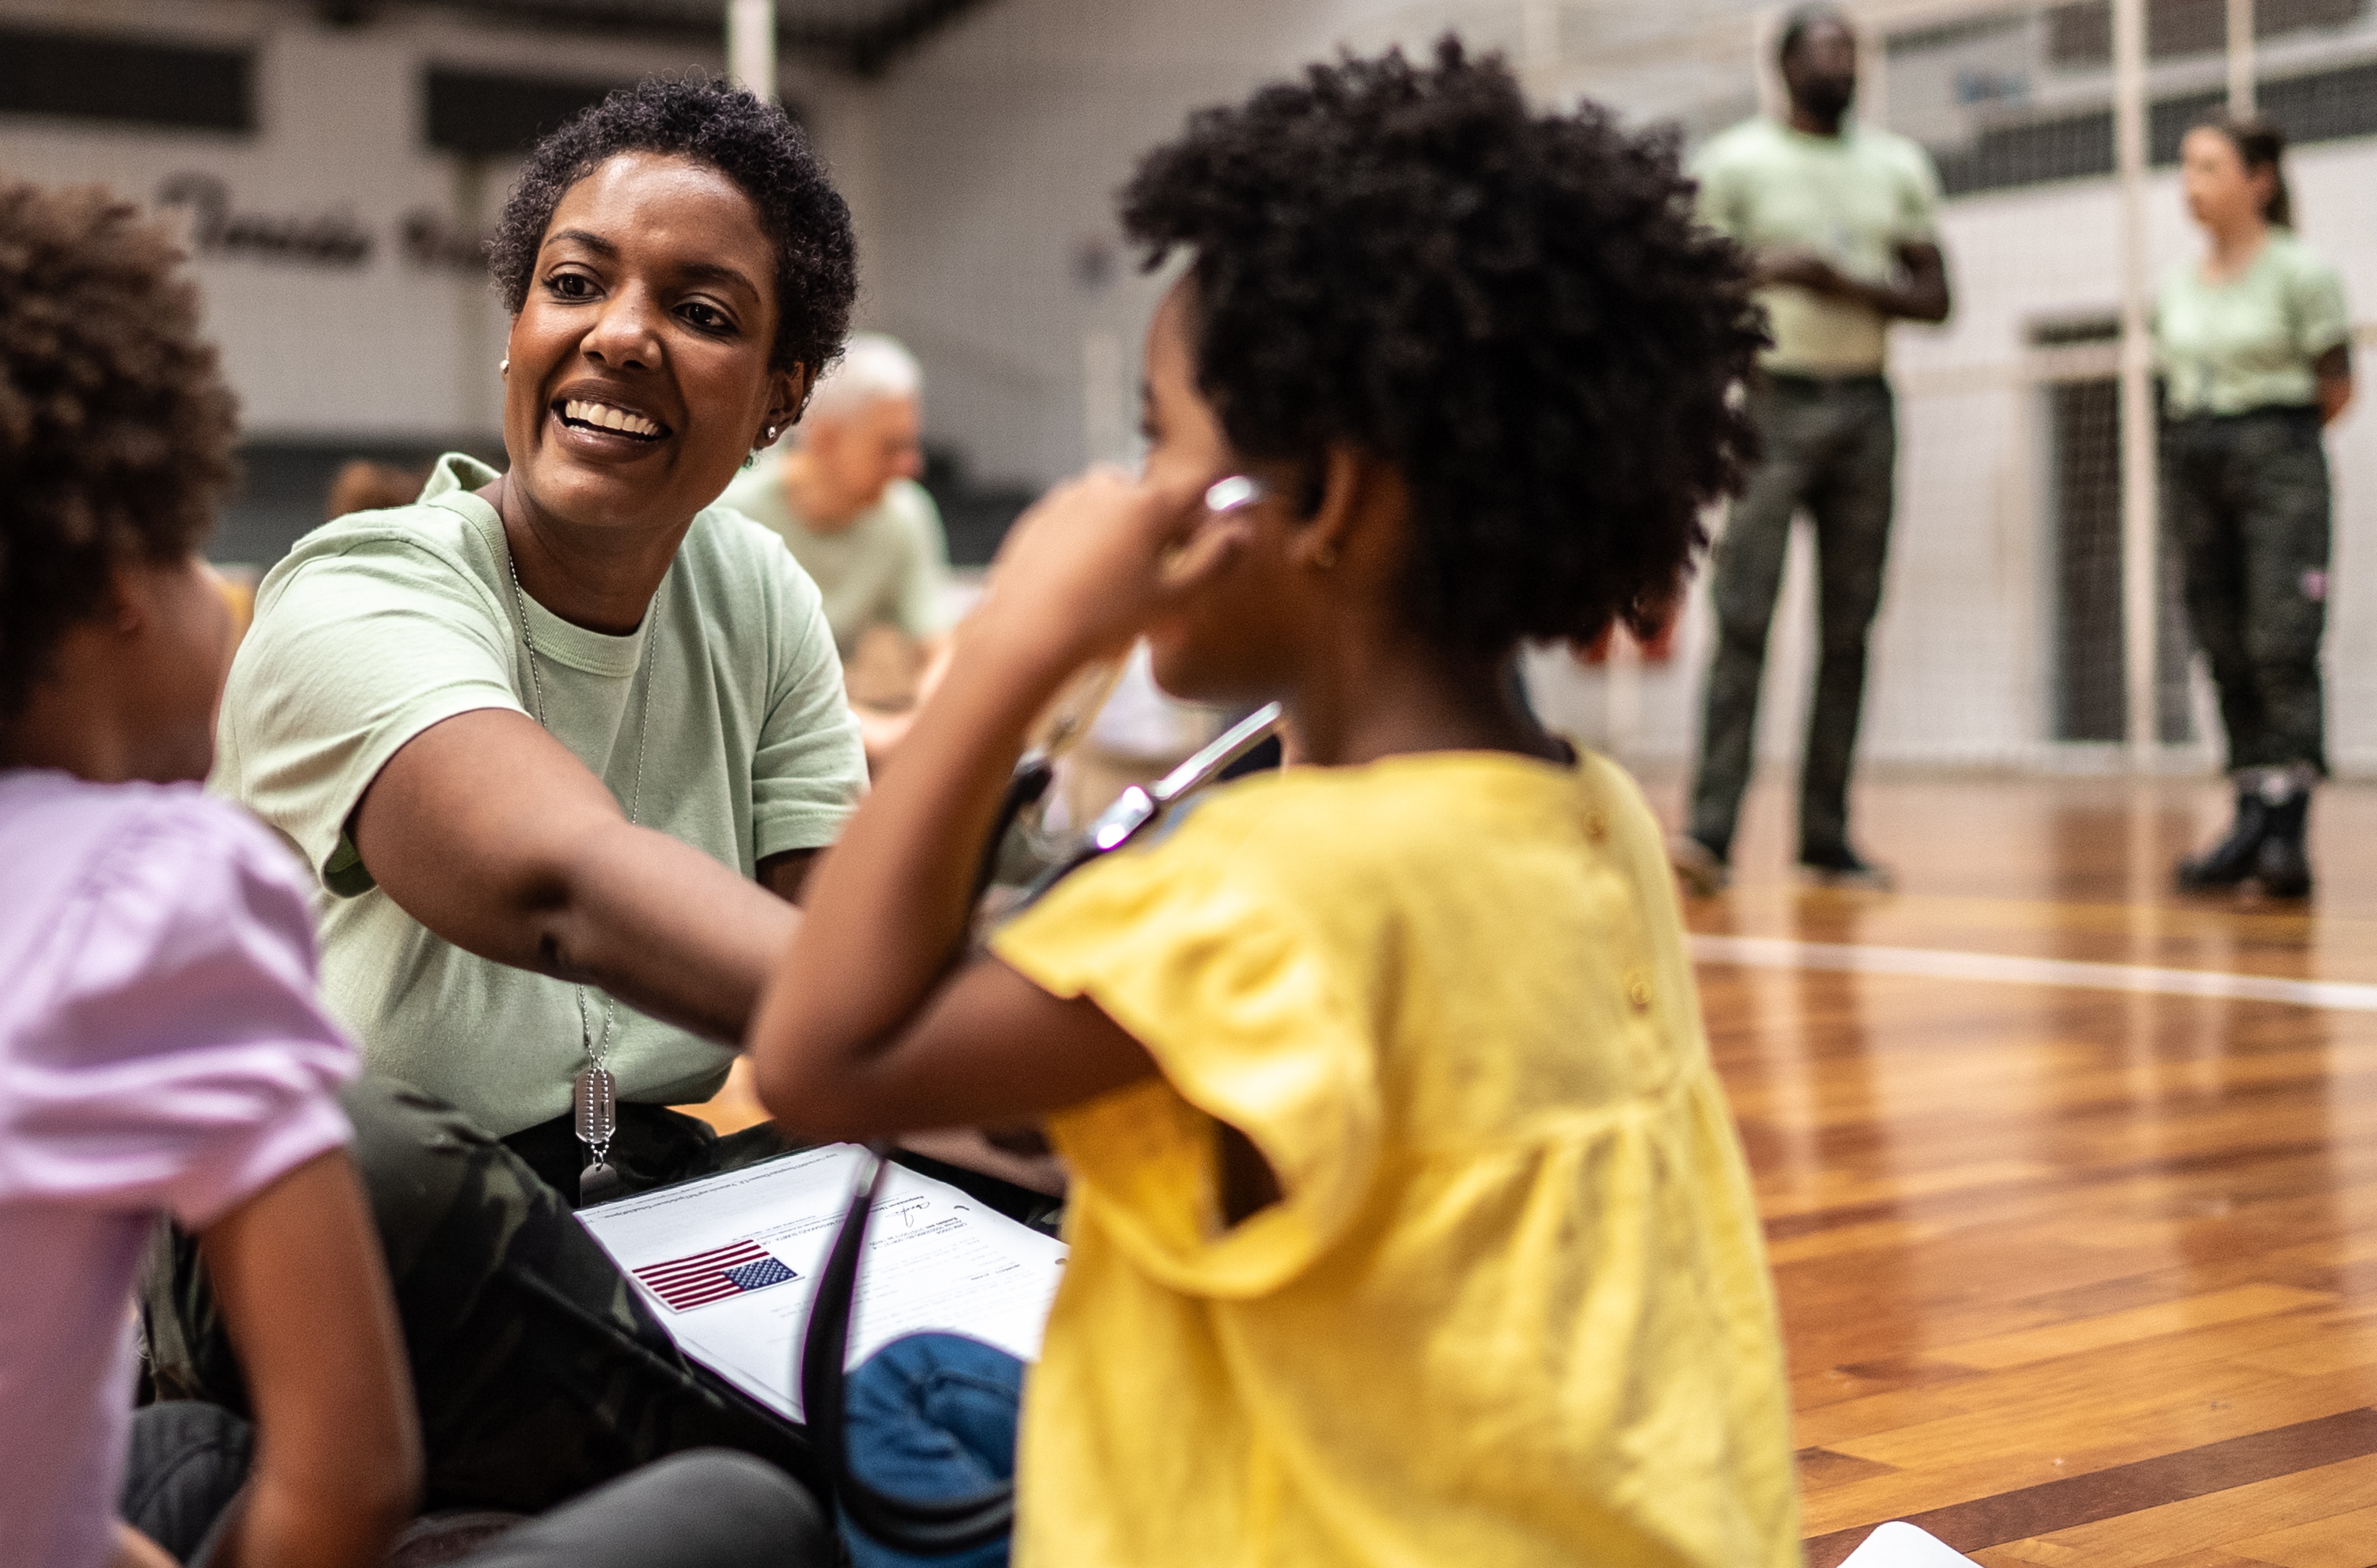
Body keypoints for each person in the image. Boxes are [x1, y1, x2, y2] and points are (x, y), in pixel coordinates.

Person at [0, 165, 822, 1568]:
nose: (231, 590)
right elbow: (348, 1480)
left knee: (178, 1470)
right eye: (192, 542)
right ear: (106, 593)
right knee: (749, 1517)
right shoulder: (152, 888)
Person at [752, 40, 1798, 1568]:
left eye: (1163, 444)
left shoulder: (1269, 896)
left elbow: (818, 1057)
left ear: (1329, 503)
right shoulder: (1591, 818)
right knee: (931, 1388)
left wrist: (1021, 640)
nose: (1129, 497)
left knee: (817, 1462)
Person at [169, 76, 864, 1513]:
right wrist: (957, 1022)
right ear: (517, 328)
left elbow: (838, 970)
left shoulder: (760, 596)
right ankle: (785, 1474)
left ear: (783, 394)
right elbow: (561, 885)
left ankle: (750, 1463)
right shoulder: (356, 589)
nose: (619, 333)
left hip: (635, 1179)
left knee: (912, 1167)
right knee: (352, 1139)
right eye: (574, 282)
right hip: (334, 1220)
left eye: (707, 312)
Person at [1672, 1, 1952, 895]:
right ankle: (1711, 833)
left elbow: (1937, 297)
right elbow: (1691, 278)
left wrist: (1845, 282)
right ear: (1783, 65)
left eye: (1853, 49)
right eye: (1825, 48)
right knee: (1744, 618)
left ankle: (1826, 835)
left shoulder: (1898, 166)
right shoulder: (1734, 162)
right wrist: (1768, 270)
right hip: (1771, 402)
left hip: (1865, 406)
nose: (1844, 62)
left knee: (1849, 629)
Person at [2161, 115, 2350, 900]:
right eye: (2185, 167)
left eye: (2209, 167)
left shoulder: (2303, 274)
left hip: (2277, 461)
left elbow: (2336, 387)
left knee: (2281, 639)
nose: (2190, 183)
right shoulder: (2176, 285)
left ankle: (2288, 828)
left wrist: (2270, 452)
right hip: (2195, 462)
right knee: (2222, 639)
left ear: (2258, 181)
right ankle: (2247, 813)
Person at [717, 333, 954, 763]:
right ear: (824, 440)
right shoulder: (731, 515)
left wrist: (929, 722)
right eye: (891, 448)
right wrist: (879, 733)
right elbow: (738, 688)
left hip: (837, 726)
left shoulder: (905, 514)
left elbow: (938, 645)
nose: (912, 466)